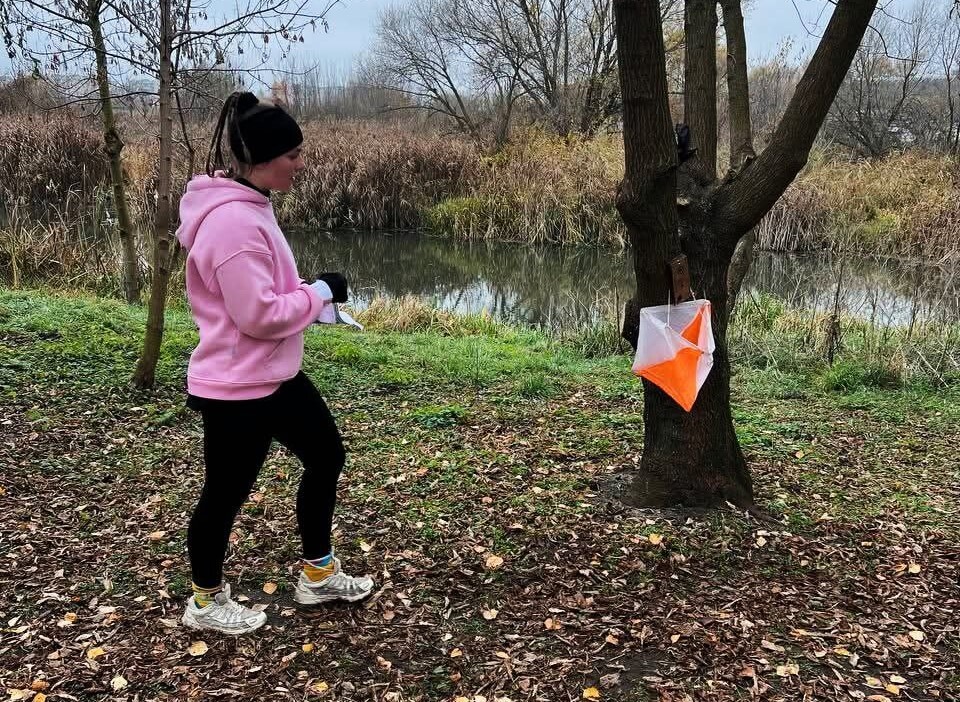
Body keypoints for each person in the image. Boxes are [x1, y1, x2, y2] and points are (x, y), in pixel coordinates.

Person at [176, 91, 373, 635]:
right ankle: (205, 601)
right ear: (262, 159)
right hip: (237, 388)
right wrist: (320, 293)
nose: (301, 164)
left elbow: (268, 298)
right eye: (294, 155)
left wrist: (313, 300)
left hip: (275, 376)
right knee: (225, 494)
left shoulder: (252, 206)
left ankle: (317, 574)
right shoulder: (233, 226)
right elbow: (258, 316)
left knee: (326, 456)